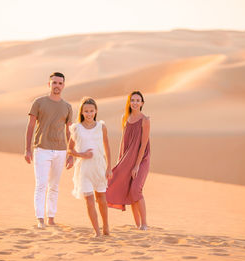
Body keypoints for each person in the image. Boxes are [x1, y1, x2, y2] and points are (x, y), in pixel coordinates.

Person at [24, 72, 74, 229]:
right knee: (41, 185)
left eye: (60, 83)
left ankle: (51, 218)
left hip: (60, 151)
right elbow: (31, 126)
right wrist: (27, 149)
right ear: (49, 84)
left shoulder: (67, 107)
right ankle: (40, 219)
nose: (57, 86)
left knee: (54, 186)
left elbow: (68, 132)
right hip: (41, 149)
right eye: (54, 83)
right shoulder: (39, 102)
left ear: (63, 86)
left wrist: (70, 154)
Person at [68, 97, 112, 237]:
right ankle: (97, 231)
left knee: (102, 199)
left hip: (99, 167)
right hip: (84, 169)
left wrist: (109, 167)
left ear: (96, 111)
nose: (89, 114)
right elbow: (70, 150)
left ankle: (105, 226)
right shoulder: (77, 128)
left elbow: (107, 147)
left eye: (91, 111)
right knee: (89, 200)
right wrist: (82, 154)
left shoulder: (101, 127)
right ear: (81, 112)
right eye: (86, 111)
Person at [106, 91, 150, 230]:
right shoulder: (125, 118)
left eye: (138, 100)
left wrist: (137, 166)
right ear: (129, 102)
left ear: (142, 103)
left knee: (136, 190)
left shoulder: (145, 120)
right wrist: (121, 160)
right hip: (126, 158)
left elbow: (143, 144)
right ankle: (137, 226)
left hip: (141, 159)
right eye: (133, 100)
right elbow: (123, 141)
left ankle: (144, 224)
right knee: (129, 190)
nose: (135, 103)